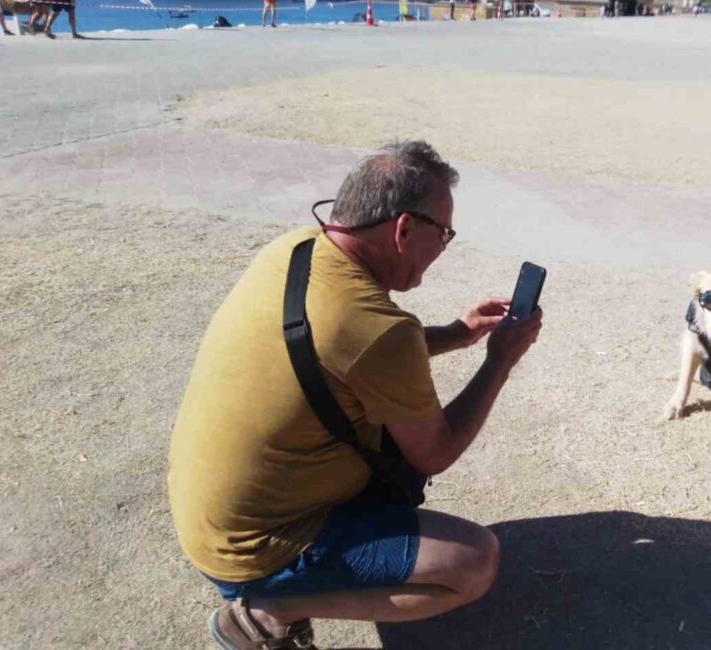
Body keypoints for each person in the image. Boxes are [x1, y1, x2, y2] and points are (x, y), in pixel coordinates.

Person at [169, 141, 544, 649]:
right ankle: (274, 607)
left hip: (209, 522)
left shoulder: (295, 248)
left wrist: (459, 332)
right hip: (253, 552)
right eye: (445, 234)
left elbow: (351, 354)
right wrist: (499, 361)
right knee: (473, 562)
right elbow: (436, 451)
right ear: (404, 229)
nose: (443, 248)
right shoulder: (377, 331)